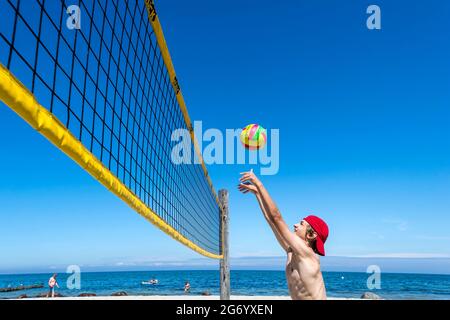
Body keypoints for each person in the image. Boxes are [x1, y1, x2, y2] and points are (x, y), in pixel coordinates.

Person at [238, 170, 329, 300]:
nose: (295, 225)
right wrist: (257, 194)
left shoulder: (308, 255)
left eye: (301, 224)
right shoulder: (291, 251)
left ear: (312, 235)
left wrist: (258, 184)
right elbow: (271, 221)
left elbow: (277, 217)